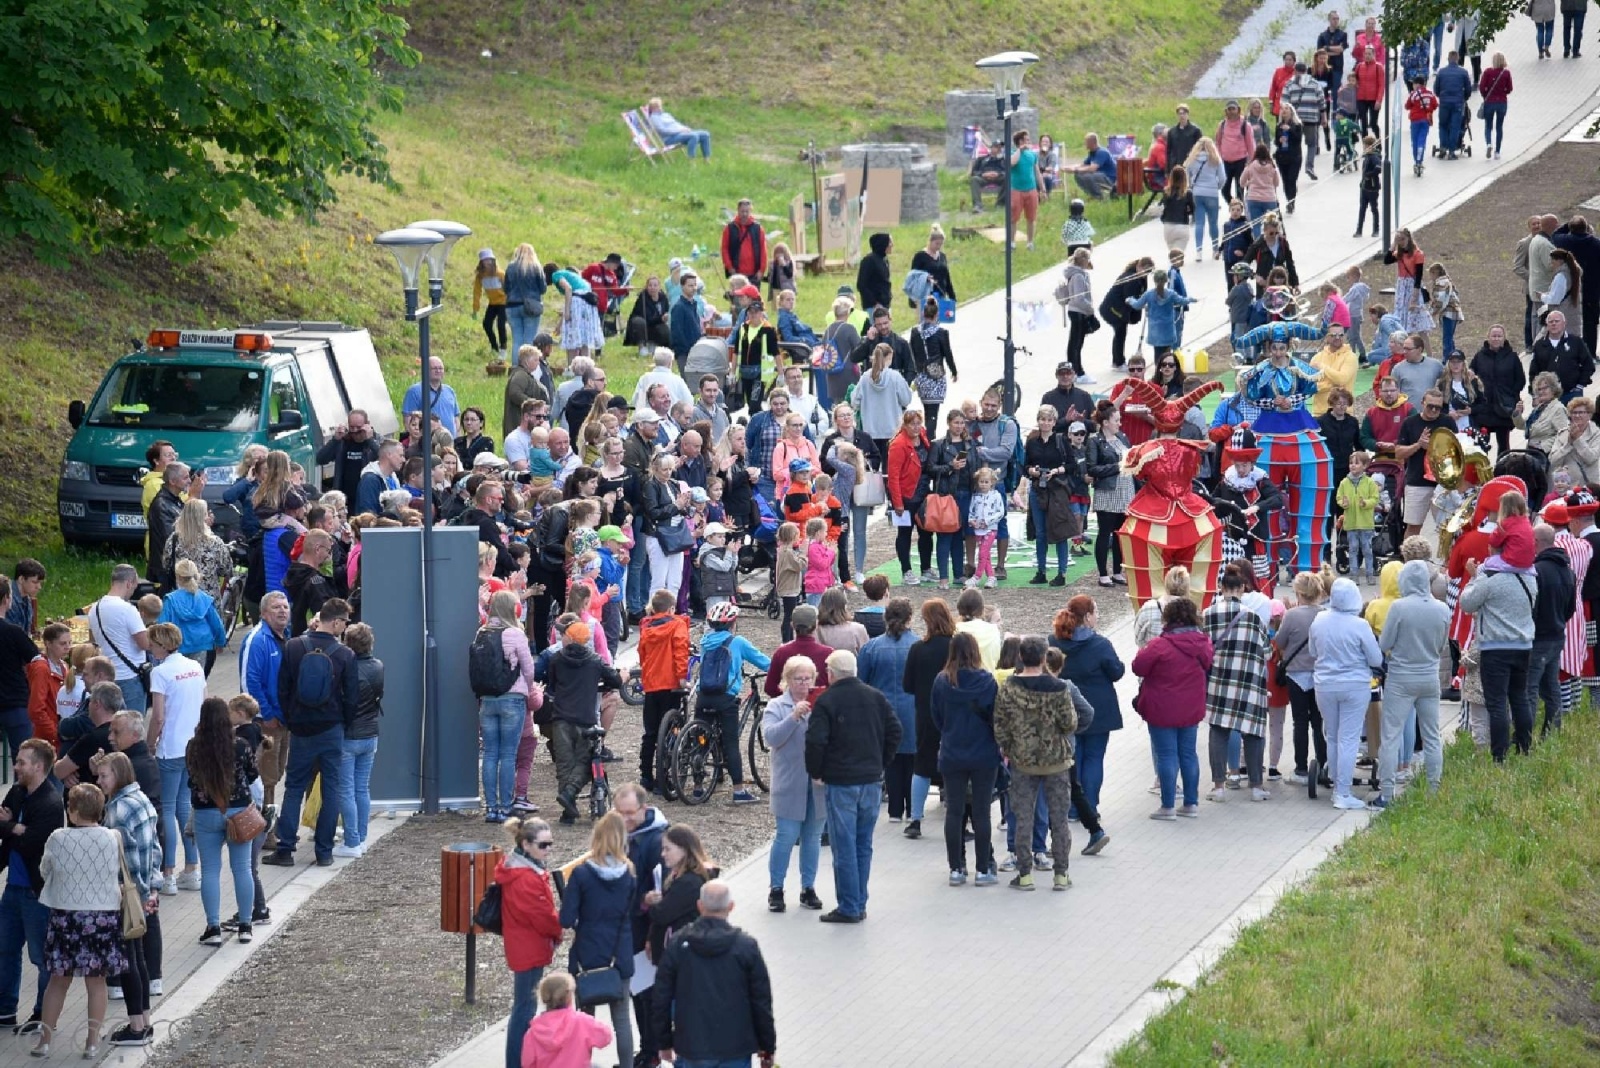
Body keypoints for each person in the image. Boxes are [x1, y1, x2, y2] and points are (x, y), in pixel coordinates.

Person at [804, 649, 900, 923]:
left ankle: (849, 905)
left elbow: (816, 741)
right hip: (870, 780)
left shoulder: (827, 701)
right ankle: (859, 900)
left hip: (842, 781)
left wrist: (816, 771)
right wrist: (881, 761)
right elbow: (895, 731)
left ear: (831, 673)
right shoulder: (875, 697)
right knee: (863, 844)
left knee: (843, 845)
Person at [29, 783, 121, 1058]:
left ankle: (45, 1041)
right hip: (103, 916)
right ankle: (92, 1043)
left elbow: (45, 870)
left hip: (65, 916)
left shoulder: (58, 838)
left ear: (75, 810)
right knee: (96, 982)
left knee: (58, 980)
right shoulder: (113, 837)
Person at [993, 635, 1089, 891]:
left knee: (1022, 816)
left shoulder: (1009, 688)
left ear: (1021, 657)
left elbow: (1000, 725)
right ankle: (1060, 874)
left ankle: (1024, 874)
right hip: (1056, 761)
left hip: (1022, 761)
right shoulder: (1058, 687)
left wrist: (1009, 748)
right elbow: (1070, 723)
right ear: (1044, 657)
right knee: (1058, 819)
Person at [265, 600, 356, 868]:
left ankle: (285, 848)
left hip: (301, 729)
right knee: (331, 789)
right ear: (336, 622)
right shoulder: (345, 655)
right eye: (345, 622)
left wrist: (291, 718)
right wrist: (344, 725)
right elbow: (351, 699)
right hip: (331, 729)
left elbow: (282, 688)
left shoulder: (294, 646)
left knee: (293, 787)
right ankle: (324, 851)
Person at [652, 880, 776, 1068]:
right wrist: (767, 1046)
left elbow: (661, 997)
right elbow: (761, 1000)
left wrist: (664, 1042)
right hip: (736, 1046)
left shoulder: (678, 944)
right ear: (731, 906)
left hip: (691, 1045)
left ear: (699, 906)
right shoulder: (746, 946)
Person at [557, 812, 635, 1068]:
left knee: (583, 1017)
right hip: (619, 952)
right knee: (622, 1018)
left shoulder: (581, 875)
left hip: (587, 953)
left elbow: (566, 919)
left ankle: (581, 1063)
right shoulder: (629, 875)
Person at [92, 751, 157, 1048]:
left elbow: (125, 862)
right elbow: (154, 849)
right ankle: (144, 1021)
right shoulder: (141, 799)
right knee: (139, 958)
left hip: (128, 896)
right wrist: (151, 889)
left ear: (118, 776)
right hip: (144, 893)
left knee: (128, 961)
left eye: (104, 776)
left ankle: (135, 1027)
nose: (99, 781)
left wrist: (138, 893)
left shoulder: (118, 810)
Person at [0, 738, 63, 1035]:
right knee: (5, 949)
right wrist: (14, 827)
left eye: (21, 762)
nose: (15, 766)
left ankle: (41, 1014)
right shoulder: (16, 792)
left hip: (36, 894)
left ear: (38, 767)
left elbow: (32, 844)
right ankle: (5, 1009)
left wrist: (12, 828)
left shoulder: (50, 803)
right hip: (12, 889)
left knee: (41, 957)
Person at [1131, 598, 1212, 819]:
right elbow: (1209, 664)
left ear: (1167, 618)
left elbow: (1138, 667)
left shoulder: (1159, 645)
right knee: (1188, 754)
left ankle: (1167, 806)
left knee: (1167, 755)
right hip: (1191, 706)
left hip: (1161, 707)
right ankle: (1191, 803)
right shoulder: (1202, 642)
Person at [929, 632, 999, 887]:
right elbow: (995, 717)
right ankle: (983, 870)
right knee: (982, 812)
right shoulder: (987, 681)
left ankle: (956, 868)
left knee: (954, 811)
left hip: (952, 751)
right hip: (983, 753)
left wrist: (949, 733)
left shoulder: (942, 681)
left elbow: (936, 716)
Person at [186, 697, 257, 947]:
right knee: (242, 868)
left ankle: (213, 927)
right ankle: (246, 925)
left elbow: (192, 783)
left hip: (205, 813)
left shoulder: (193, 747)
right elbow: (252, 774)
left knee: (210, 871)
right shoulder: (240, 745)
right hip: (238, 812)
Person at [1310, 578, 1383, 809]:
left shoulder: (1319, 620)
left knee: (1331, 734)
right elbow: (1375, 659)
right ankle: (1343, 792)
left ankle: (1334, 782)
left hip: (1325, 684)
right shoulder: (1359, 625)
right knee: (1349, 738)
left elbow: (1313, 651)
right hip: (1355, 684)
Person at [496, 815, 562, 1068]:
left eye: (550, 843)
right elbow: (542, 916)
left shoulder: (517, 868)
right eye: (543, 845)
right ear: (526, 845)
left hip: (523, 944)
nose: (548, 849)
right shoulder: (527, 877)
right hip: (529, 947)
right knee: (524, 1008)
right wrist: (558, 931)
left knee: (524, 1005)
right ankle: (516, 1062)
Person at [145, 623, 205, 895]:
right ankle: (191, 868)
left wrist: (149, 744)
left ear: (161, 645)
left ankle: (167, 872)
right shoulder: (195, 667)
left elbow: (158, 716)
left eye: (152, 644)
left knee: (167, 809)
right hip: (193, 747)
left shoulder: (160, 672)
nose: (150, 648)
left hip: (169, 747)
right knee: (184, 805)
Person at [763, 656, 826, 913]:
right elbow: (771, 737)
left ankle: (808, 887)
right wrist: (793, 717)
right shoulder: (776, 706)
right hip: (790, 782)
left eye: (808, 679)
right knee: (786, 836)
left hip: (818, 783)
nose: (803, 684)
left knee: (812, 837)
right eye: (798, 679)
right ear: (787, 680)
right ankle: (776, 888)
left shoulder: (821, 704)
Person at [1460, 550, 1537, 761]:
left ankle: (1499, 756)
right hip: (1523, 645)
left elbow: (1467, 603)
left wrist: (1474, 576)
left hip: (1495, 647)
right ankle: (1524, 748)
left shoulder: (1489, 578)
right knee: (1520, 698)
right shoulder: (1529, 576)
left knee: (1496, 703)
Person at [695, 602, 770, 805]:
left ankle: (697, 786)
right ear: (732, 623)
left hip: (704, 695)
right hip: (725, 697)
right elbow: (764, 662)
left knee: (700, 737)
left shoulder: (704, 641)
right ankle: (738, 790)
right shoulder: (737, 642)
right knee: (731, 743)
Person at [476, 591, 537, 824]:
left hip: (488, 699)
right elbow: (529, 668)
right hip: (512, 698)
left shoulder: (481, 632)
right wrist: (526, 688)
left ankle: (491, 808)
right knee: (508, 754)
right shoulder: (515, 633)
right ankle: (505, 806)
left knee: (491, 753)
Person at [857, 598, 917, 826]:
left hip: (881, 709)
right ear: (909, 618)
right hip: (912, 708)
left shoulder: (871, 648)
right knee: (912, 759)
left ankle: (894, 809)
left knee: (890, 759)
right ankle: (913, 807)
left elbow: (862, 680)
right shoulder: (917, 645)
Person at [335, 621, 383, 858]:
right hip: (371, 731)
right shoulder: (378, 666)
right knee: (362, 788)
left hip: (349, 734)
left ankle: (352, 841)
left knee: (346, 790)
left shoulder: (348, 669)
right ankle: (361, 837)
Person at [88, 565, 150, 714]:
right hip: (129, 677)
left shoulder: (94, 609)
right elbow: (144, 644)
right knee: (131, 727)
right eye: (133, 587)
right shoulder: (128, 609)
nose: (132, 591)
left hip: (106, 677)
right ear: (129, 583)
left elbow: (93, 642)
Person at [1008, 129, 1044, 250]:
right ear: (1020, 141)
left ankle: (1030, 242)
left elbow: (1037, 172)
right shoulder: (1012, 152)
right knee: (1013, 217)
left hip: (1031, 189)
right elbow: (1012, 163)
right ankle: (1012, 243)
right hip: (1016, 190)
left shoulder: (1033, 155)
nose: (1029, 142)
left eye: (1029, 140)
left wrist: (1042, 189)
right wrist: (1020, 150)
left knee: (1031, 217)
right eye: (1026, 140)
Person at [1478, 52, 1512, 159]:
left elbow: (1482, 87)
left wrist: (1485, 96)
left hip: (1489, 102)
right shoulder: (1506, 73)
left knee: (1488, 126)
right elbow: (1510, 88)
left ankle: (1489, 143)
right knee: (1499, 126)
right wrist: (1503, 92)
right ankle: (1497, 152)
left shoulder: (1488, 72)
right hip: (1501, 102)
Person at [1066, 132, 1116, 199]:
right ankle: (1092, 194)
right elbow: (1082, 165)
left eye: (1086, 142)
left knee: (1088, 175)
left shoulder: (1102, 152)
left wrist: (1075, 169)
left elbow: (1092, 169)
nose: (1085, 144)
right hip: (1101, 176)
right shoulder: (1092, 153)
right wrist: (1068, 167)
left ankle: (1098, 197)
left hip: (1109, 179)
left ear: (1092, 142)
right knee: (1078, 175)